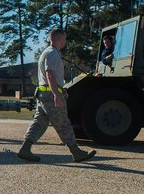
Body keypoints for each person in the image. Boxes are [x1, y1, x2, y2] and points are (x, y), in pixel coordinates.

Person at [18, 29, 96, 163]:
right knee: (63, 123)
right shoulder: (53, 53)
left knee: (39, 123)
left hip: (43, 93)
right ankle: (76, 152)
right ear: (59, 39)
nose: (65, 41)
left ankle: (25, 149)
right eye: (64, 38)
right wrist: (56, 95)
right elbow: (50, 74)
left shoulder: (47, 52)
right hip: (50, 94)